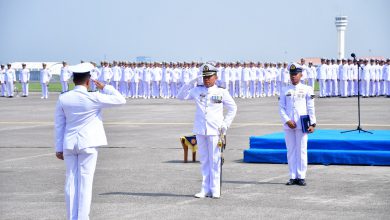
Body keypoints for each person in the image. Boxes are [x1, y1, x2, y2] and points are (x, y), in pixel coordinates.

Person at [55, 62, 126, 220]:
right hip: (88, 144)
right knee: (85, 183)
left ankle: (71, 217)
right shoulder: (94, 97)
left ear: (74, 80)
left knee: (70, 182)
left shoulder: (63, 98)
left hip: (69, 144)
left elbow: (59, 125)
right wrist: (105, 87)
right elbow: (121, 100)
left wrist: (58, 148)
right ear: (88, 81)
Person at [177, 63, 237, 199]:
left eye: (209, 77)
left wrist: (225, 124)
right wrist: (190, 82)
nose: (207, 80)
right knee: (204, 160)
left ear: (215, 77)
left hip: (215, 131)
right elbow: (180, 96)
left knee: (215, 160)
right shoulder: (197, 90)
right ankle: (205, 189)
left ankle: (215, 189)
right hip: (200, 130)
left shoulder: (221, 92)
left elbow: (233, 108)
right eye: (204, 77)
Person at [279, 63, 316, 186]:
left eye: (295, 74)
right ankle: (292, 176)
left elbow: (310, 107)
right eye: (291, 74)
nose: (293, 77)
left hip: (302, 124)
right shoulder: (285, 90)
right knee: (291, 151)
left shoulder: (307, 89)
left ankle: (301, 176)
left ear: (301, 75)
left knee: (302, 150)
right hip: (289, 125)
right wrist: (287, 120)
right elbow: (281, 108)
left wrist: (313, 123)